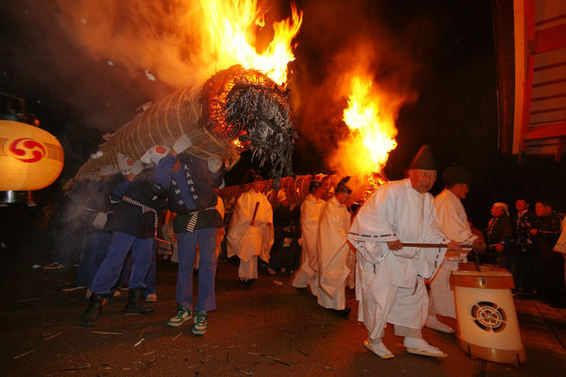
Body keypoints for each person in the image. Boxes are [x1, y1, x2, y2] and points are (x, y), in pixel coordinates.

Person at [348, 145, 459, 359]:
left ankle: (413, 338)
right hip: (386, 260)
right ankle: (374, 340)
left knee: (414, 300)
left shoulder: (427, 200)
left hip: (410, 262)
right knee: (382, 301)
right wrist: (388, 238)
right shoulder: (391, 189)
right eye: (425, 174)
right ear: (411, 173)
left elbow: (431, 229)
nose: (428, 180)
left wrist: (445, 242)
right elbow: (370, 218)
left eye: (432, 176)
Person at [81, 153, 167, 327]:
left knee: (144, 260)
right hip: (126, 218)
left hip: (147, 220)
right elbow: (114, 194)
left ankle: (133, 301)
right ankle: (96, 300)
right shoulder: (132, 170)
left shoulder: (162, 175)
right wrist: (129, 178)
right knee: (115, 259)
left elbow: (164, 198)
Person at [153, 136, 226, 336]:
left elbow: (217, 182)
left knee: (207, 265)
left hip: (207, 217)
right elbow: (158, 186)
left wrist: (216, 168)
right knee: (184, 265)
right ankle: (184, 307)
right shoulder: (164, 173)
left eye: (175, 158)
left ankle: (202, 311)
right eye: (169, 160)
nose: (174, 163)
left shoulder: (195, 159)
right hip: (184, 220)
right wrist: (171, 155)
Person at [427, 166, 485, 333]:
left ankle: (430, 317)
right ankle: (431, 317)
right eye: (466, 185)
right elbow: (452, 229)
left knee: (441, 288)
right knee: (442, 288)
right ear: (458, 185)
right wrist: (473, 241)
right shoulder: (445, 200)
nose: (467, 189)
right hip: (446, 255)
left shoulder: (450, 199)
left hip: (449, 255)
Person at [316, 177, 354, 317]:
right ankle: (338, 307)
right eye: (346, 195)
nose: (347, 198)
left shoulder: (341, 208)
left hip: (341, 247)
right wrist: (346, 239)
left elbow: (345, 226)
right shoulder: (330, 207)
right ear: (339, 193)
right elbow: (332, 230)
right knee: (336, 275)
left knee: (338, 276)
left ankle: (332, 304)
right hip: (333, 247)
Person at [227, 175, 274, 286]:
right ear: (253, 183)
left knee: (253, 255)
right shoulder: (246, 197)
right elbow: (241, 211)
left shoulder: (264, 198)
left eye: (262, 183)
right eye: (258, 182)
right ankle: (244, 276)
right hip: (248, 230)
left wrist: (268, 221)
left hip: (258, 231)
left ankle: (251, 276)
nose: (260, 185)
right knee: (247, 254)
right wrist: (249, 219)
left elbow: (268, 212)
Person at [291, 179, 327, 294]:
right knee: (311, 261)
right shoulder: (307, 203)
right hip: (310, 237)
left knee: (312, 262)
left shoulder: (323, 204)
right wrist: (321, 222)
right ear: (314, 190)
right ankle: (313, 287)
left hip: (321, 237)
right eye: (321, 188)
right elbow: (307, 221)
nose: (323, 191)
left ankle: (300, 283)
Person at [530, 199, 564, 306]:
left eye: (539, 207)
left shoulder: (555, 219)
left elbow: (555, 233)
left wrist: (538, 232)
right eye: (535, 207)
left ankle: (556, 300)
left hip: (551, 255)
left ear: (548, 208)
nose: (536, 210)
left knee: (553, 278)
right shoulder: (540, 220)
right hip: (541, 253)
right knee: (543, 277)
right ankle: (546, 297)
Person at [267, 190, 300, 275]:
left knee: (287, 250)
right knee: (283, 249)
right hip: (285, 233)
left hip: (288, 233)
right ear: (282, 202)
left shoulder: (286, 209)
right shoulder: (282, 209)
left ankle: (282, 266)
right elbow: (287, 217)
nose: (287, 202)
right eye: (285, 201)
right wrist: (292, 210)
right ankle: (273, 266)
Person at [513, 199, 536, 295]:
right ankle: (520, 286)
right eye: (517, 203)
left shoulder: (531, 215)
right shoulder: (516, 216)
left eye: (521, 204)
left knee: (527, 266)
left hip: (528, 245)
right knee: (519, 266)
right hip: (517, 245)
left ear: (527, 205)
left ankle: (527, 288)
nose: (518, 205)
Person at [485, 202, 513, 269]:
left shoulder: (505, 219)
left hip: (501, 250)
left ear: (499, 209)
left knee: (500, 267)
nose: (491, 210)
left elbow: (507, 233)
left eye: (493, 208)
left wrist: (502, 244)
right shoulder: (496, 219)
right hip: (493, 249)